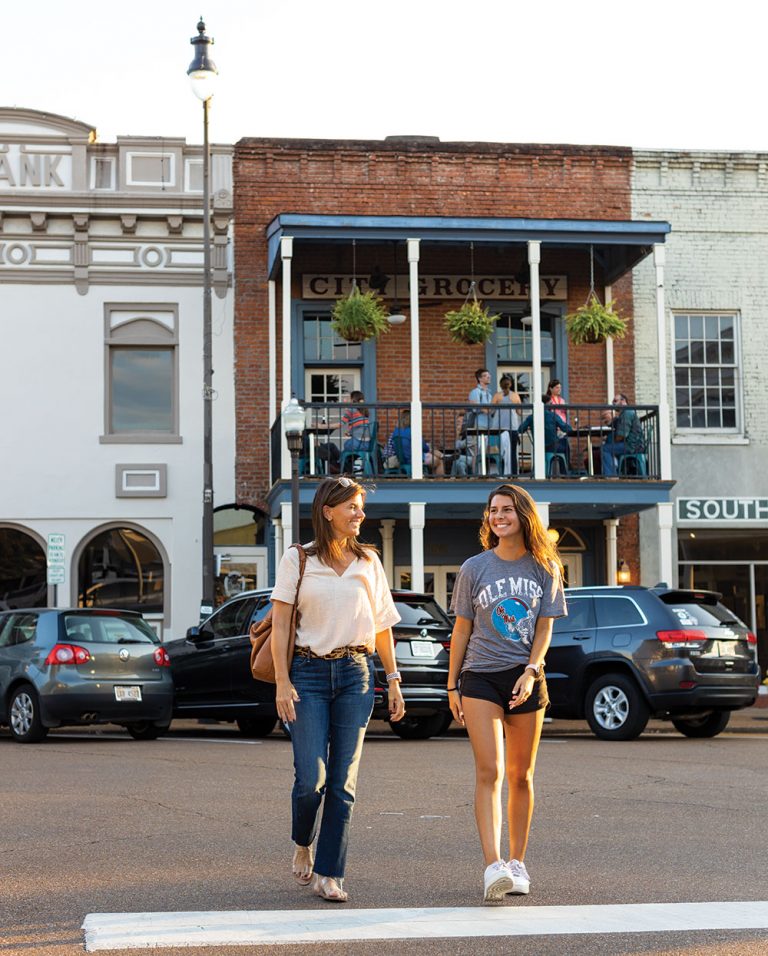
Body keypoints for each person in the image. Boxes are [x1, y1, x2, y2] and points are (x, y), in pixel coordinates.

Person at [270, 476, 405, 903]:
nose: (360, 514)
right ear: (328, 511)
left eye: (361, 506)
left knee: (343, 782)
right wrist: (281, 681)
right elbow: (280, 624)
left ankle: (330, 873)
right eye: (352, 506)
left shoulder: (369, 561)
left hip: (357, 674)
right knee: (312, 779)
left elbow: (382, 626)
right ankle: (302, 841)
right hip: (307, 674)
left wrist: (395, 680)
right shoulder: (299, 559)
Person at [447, 483, 566, 902]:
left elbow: (545, 626)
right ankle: (492, 865)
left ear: (523, 516)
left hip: (526, 676)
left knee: (521, 775)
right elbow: (462, 628)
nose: (498, 516)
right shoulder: (473, 568)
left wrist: (532, 671)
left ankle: (517, 863)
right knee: (489, 771)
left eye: (507, 510)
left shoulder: (545, 567)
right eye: (493, 510)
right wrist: (452, 683)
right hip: (479, 676)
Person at [518, 397, 574, 470]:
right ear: (546, 404)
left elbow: (520, 429)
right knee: (565, 443)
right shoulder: (553, 415)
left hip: (538, 447)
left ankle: (541, 470)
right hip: (552, 446)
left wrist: (530, 426)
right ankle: (565, 471)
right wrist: (571, 428)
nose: (552, 405)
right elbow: (565, 428)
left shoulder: (531, 417)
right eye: (550, 403)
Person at [387, 410, 445, 475]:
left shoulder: (395, 432)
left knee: (432, 455)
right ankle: (439, 483)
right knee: (438, 461)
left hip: (401, 460)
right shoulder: (414, 431)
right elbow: (425, 448)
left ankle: (442, 456)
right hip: (415, 459)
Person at [601, 393, 645, 477]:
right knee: (609, 440)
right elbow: (616, 424)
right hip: (632, 444)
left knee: (605, 449)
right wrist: (609, 419)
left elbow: (622, 436)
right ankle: (614, 470)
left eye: (615, 401)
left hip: (632, 446)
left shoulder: (627, 413)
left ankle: (611, 476)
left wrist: (614, 441)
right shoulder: (624, 414)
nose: (613, 403)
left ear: (623, 401)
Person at [492, 376, 522, 475]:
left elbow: (490, 410)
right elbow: (519, 412)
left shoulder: (497, 396)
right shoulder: (515, 396)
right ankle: (513, 474)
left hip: (498, 427)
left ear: (500, 385)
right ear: (510, 384)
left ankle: (500, 473)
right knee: (512, 452)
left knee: (499, 451)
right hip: (512, 427)